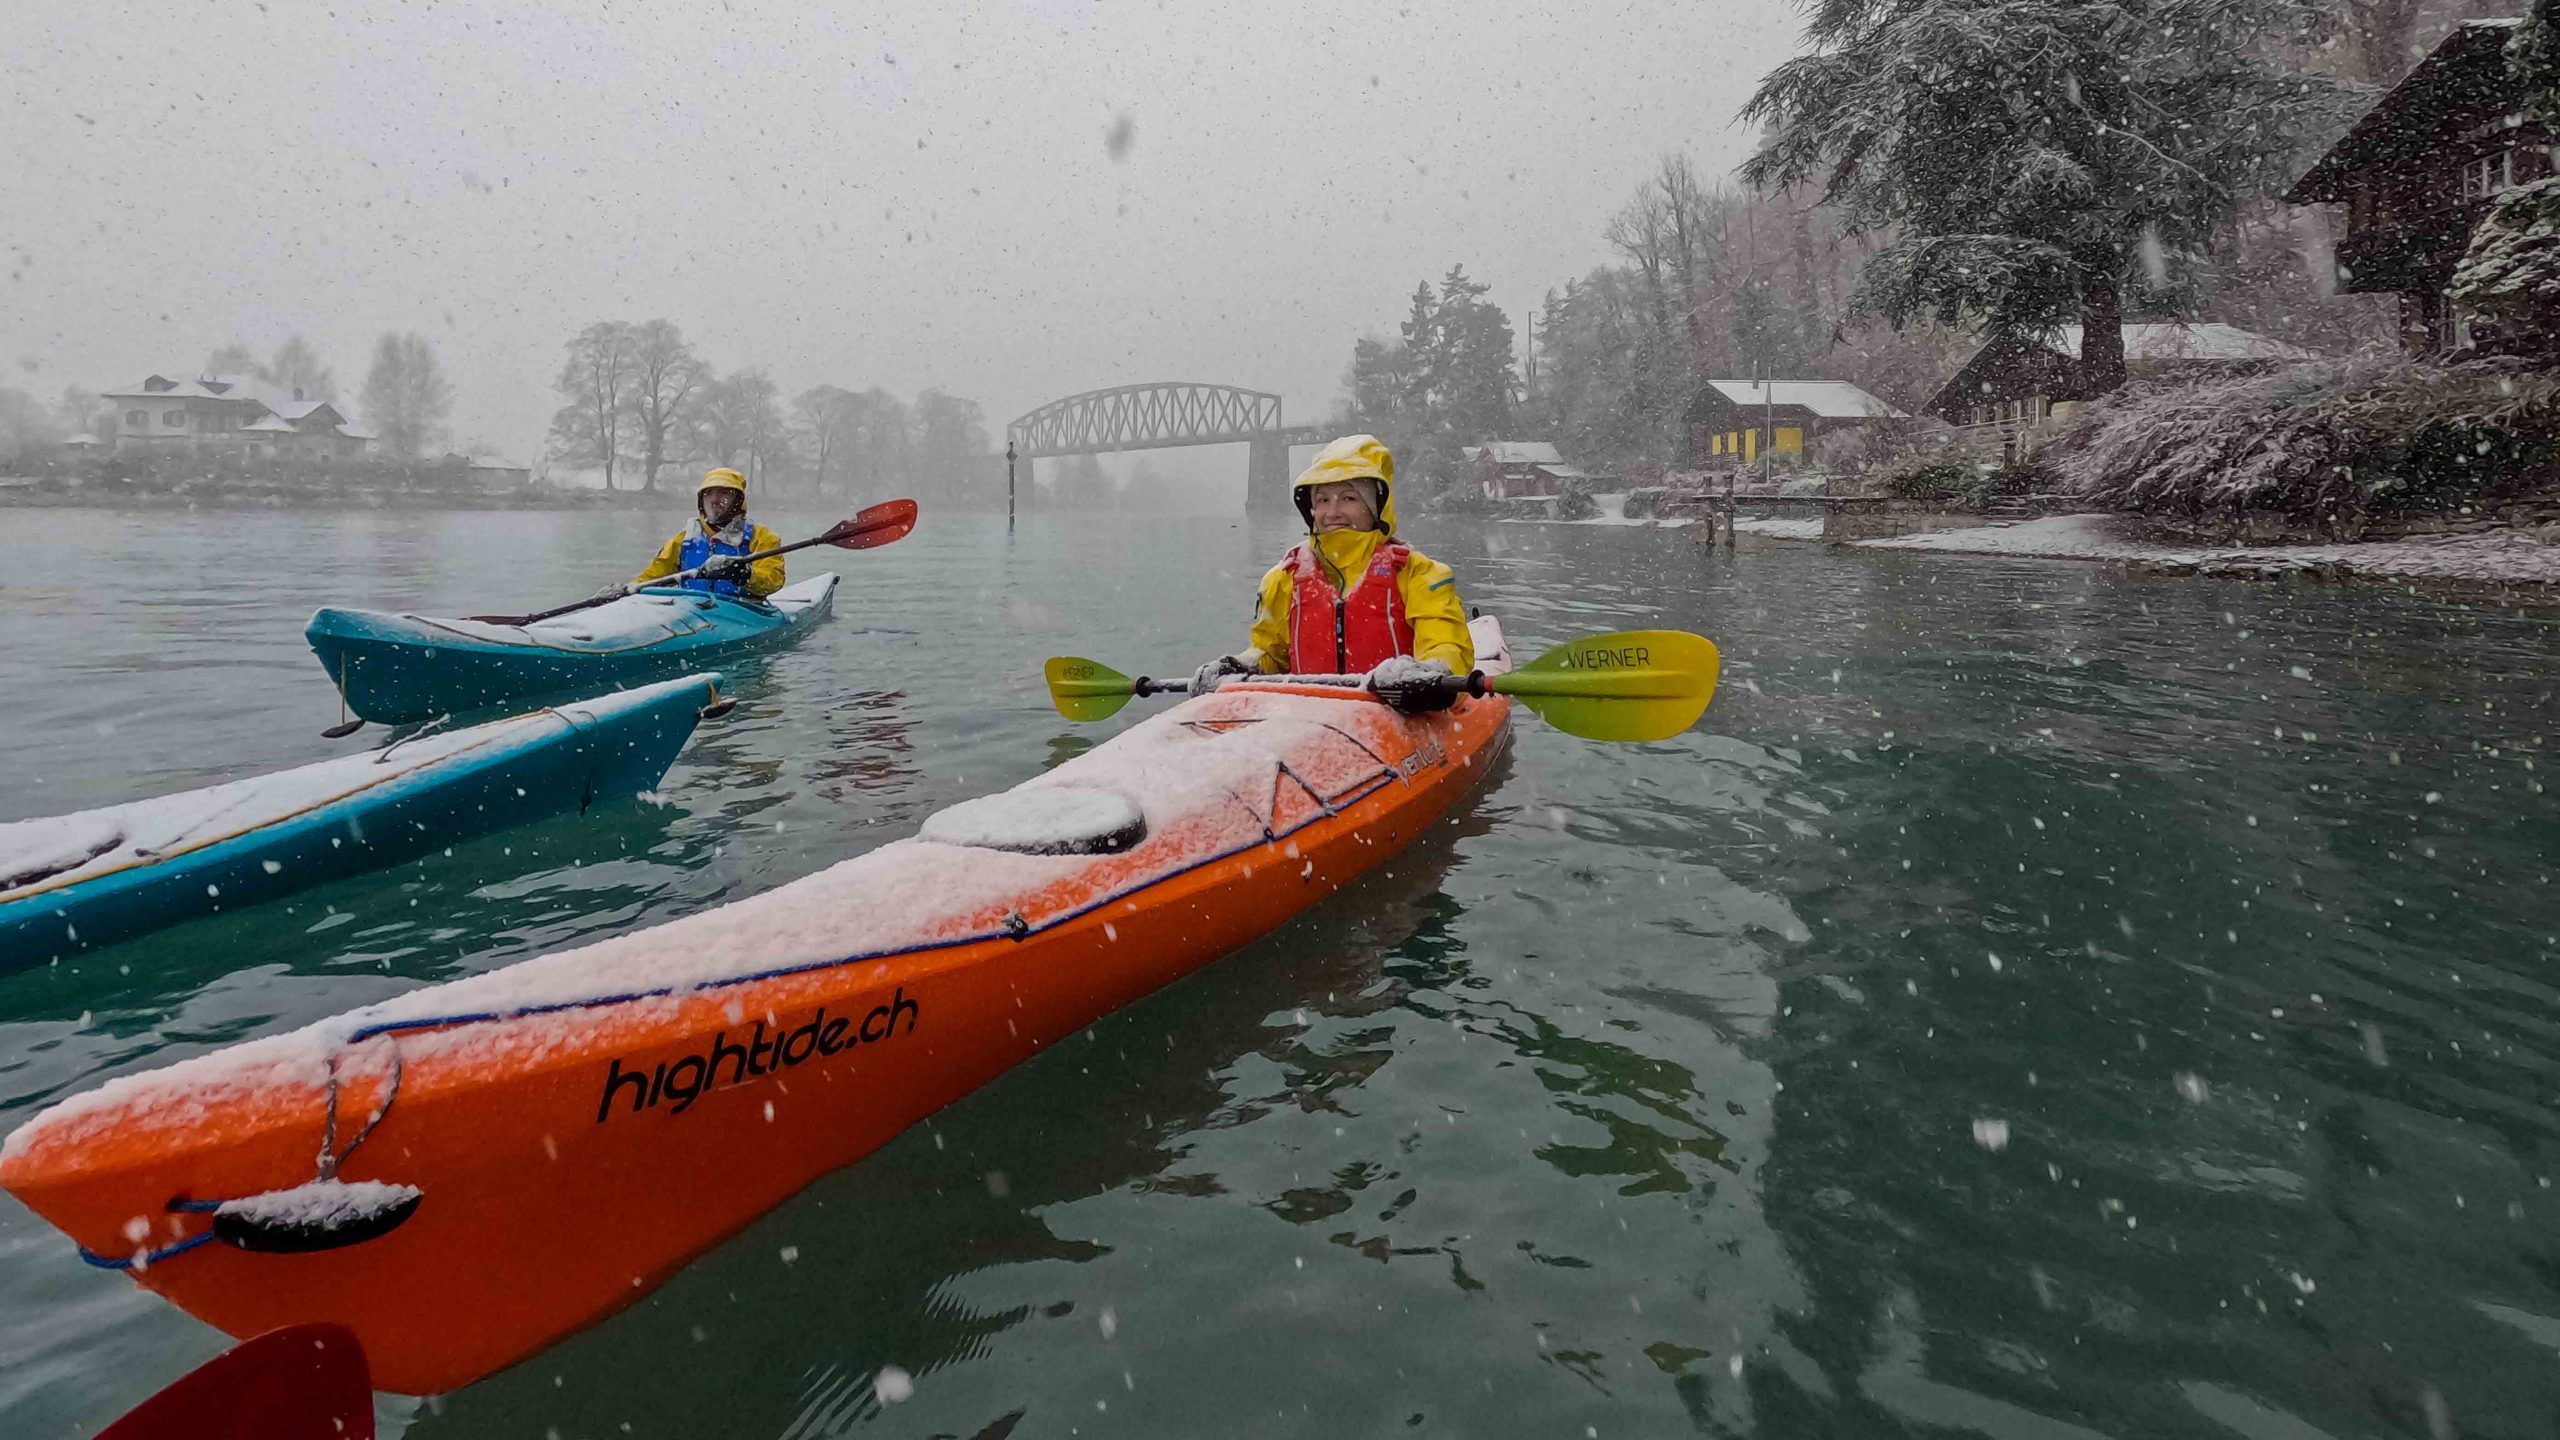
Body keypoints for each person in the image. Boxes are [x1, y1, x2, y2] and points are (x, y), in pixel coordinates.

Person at [1192, 434, 1473, 715]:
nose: (1332, 511)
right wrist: (1243, 665)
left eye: (1349, 498)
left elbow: (1445, 645)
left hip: (1395, 717)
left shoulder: (1419, 574)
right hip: (1306, 717)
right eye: (1323, 500)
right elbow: (1271, 653)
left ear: (1376, 507)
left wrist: (1430, 671)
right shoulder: (1283, 578)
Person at [604, 467, 786, 602]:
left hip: (743, 611)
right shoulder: (684, 539)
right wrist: (627, 590)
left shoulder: (762, 537)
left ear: (737, 501)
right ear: (701, 500)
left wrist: (744, 574)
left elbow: (773, 580)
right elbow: (653, 577)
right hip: (691, 611)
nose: (714, 500)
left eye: (723, 494)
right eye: (708, 494)